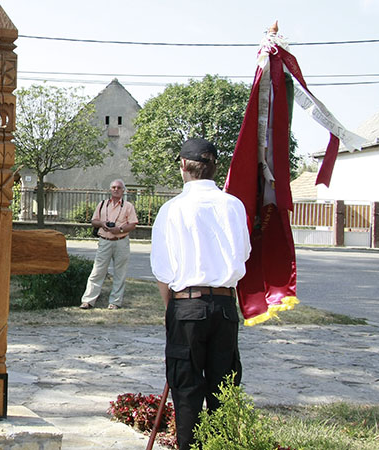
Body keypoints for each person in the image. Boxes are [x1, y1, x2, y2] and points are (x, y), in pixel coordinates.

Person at [150, 138, 251, 450]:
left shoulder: (172, 209)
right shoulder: (233, 205)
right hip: (223, 306)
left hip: (186, 306)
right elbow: (244, 254)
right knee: (224, 388)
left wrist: (173, 313)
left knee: (186, 390)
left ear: (183, 166)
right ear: (215, 166)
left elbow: (163, 271)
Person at [79, 179, 138, 310]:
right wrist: (102, 224)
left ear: (123, 190)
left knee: (120, 273)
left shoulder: (128, 206)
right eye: (113, 187)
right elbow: (94, 221)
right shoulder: (102, 204)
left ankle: (115, 302)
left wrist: (120, 229)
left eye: (118, 187)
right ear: (110, 190)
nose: (115, 189)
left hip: (121, 241)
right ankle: (88, 301)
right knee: (97, 271)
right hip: (104, 241)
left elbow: (133, 224)